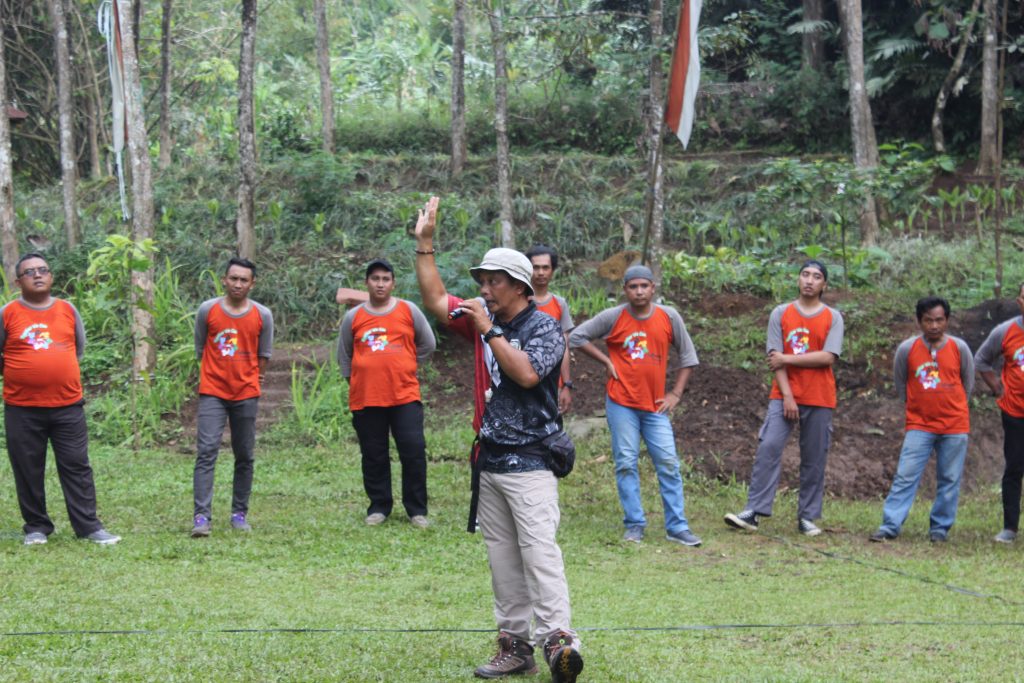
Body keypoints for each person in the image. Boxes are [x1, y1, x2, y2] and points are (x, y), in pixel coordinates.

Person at [413, 197, 583, 682]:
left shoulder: (544, 328)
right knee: (503, 560)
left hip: (531, 463)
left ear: (520, 286)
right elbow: (435, 300)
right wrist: (425, 245)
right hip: (489, 462)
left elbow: (527, 374)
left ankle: (559, 642)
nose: (484, 288)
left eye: (493, 281)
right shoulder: (483, 319)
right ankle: (515, 646)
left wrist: (488, 330)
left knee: (540, 554)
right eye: (481, 282)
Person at [569, 265, 702, 547]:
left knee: (668, 462)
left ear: (653, 288)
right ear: (625, 290)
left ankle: (677, 526)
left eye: (644, 286)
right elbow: (576, 337)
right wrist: (606, 361)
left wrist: (675, 394)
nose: (639, 291)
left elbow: (688, 357)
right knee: (626, 462)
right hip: (621, 402)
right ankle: (634, 524)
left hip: (655, 406)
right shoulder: (614, 316)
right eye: (633, 287)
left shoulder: (669, 316)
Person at [2, 253, 120, 546]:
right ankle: (37, 527)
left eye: (43, 270)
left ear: (51, 277)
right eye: (30, 272)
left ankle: (88, 527)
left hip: (67, 406)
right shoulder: (7, 313)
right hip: (22, 408)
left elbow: (77, 349)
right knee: (27, 468)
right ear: (18, 282)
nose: (38, 275)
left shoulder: (68, 310)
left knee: (77, 466)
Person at [724, 260, 844, 537]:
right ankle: (753, 511)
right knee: (769, 447)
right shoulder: (780, 313)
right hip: (784, 394)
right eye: (805, 275)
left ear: (824, 285)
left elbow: (828, 357)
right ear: (798, 279)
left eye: (816, 277)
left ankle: (807, 517)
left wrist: (788, 358)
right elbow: (773, 360)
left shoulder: (833, 317)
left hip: (820, 396)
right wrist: (788, 396)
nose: (809, 281)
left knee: (814, 457)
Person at [338, 258, 436, 528]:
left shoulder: (408, 310)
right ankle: (379, 506)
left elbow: (428, 344)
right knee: (374, 454)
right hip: (367, 398)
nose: (380, 284)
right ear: (366, 283)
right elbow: (344, 356)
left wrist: (405, 366)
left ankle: (416, 510)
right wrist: (358, 380)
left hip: (404, 396)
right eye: (375, 279)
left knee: (413, 451)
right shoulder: (353, 317)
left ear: (393, 283)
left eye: (385, 279)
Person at [870, 297, 973, 543]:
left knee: (949, 478)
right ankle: (890, 524)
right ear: (919, 321)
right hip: (919, 424)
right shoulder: (907, 349)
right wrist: (916, 407)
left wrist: (954, 405)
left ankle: (940, 528)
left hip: (954, 424)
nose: (934, 325)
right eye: (928, 320)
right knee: (905, 474)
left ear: (947, 320)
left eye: (939, 320)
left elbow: (967, 383)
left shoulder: (959, 348)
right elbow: (901, 382)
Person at [191, 257, 273, 538]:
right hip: (212, 392)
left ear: (252, 283)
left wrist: (252, 380)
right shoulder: (207, 310)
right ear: (224, 280)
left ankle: (239, 513)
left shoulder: (262, 314)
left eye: (244, 280)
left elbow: (264, 354)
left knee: (245, 454)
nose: (238, 284)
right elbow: (201, 348)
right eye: (233, 278)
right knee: (206, 452)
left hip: (246, 394)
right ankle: (201, 517)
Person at [975, 283, 1024, 544]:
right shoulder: (1005, 332)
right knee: (1015, 467)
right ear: (1020, 301)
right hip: (1015, 411)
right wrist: (997, 387)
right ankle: (1010, 528)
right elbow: (981, 360)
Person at [526, 245, 574, 415]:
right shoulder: (518, 302)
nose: (540, 272)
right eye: (536, 267)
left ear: (552, 271)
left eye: (545, 267)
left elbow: (564, 347)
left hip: (552, 383)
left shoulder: (559, 304)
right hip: (522, 376)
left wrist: (566, 384)